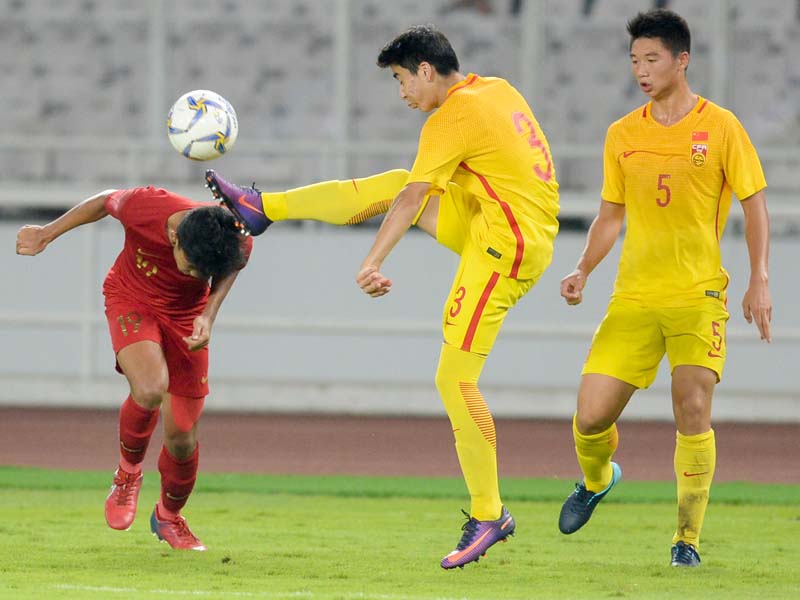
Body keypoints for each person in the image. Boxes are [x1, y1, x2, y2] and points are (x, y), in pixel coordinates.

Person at [204, 24, 560, 569]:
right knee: (398, 180)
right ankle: (261, 206)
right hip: (514, 223)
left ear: (425, 69)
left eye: (400, 79)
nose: (401, 94)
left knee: (454, 378)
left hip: (505, 247)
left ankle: (490, 513)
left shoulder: (453, 116)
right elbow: (429, 186)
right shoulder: (496, 88)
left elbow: (418, 198)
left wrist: (373, 260)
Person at [557, 9, 771, 567]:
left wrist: (759, 279)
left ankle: (685, 539)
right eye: (634, 61)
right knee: (590, 418)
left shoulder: (721, 127)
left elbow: (754, 206)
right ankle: (597, 479)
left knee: (692, 406)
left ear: (682, 59)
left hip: (698, 295)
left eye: (652, 59)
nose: (642, 70)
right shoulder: (622, 134)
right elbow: (609, 216)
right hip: (634, 296)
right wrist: (582, 268)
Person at [16, 186, 252, 551]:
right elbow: (102, 201)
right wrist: (46, 234)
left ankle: (169, 517)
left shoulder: (233, 236)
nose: (192, 273)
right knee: (150, 387)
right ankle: (127, 474)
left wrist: (208, 314)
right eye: (189, 265)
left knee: (183, 436)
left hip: (186, 316)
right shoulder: (147, 206)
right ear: (174, 236)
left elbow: (233, 264)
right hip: (132, 297)